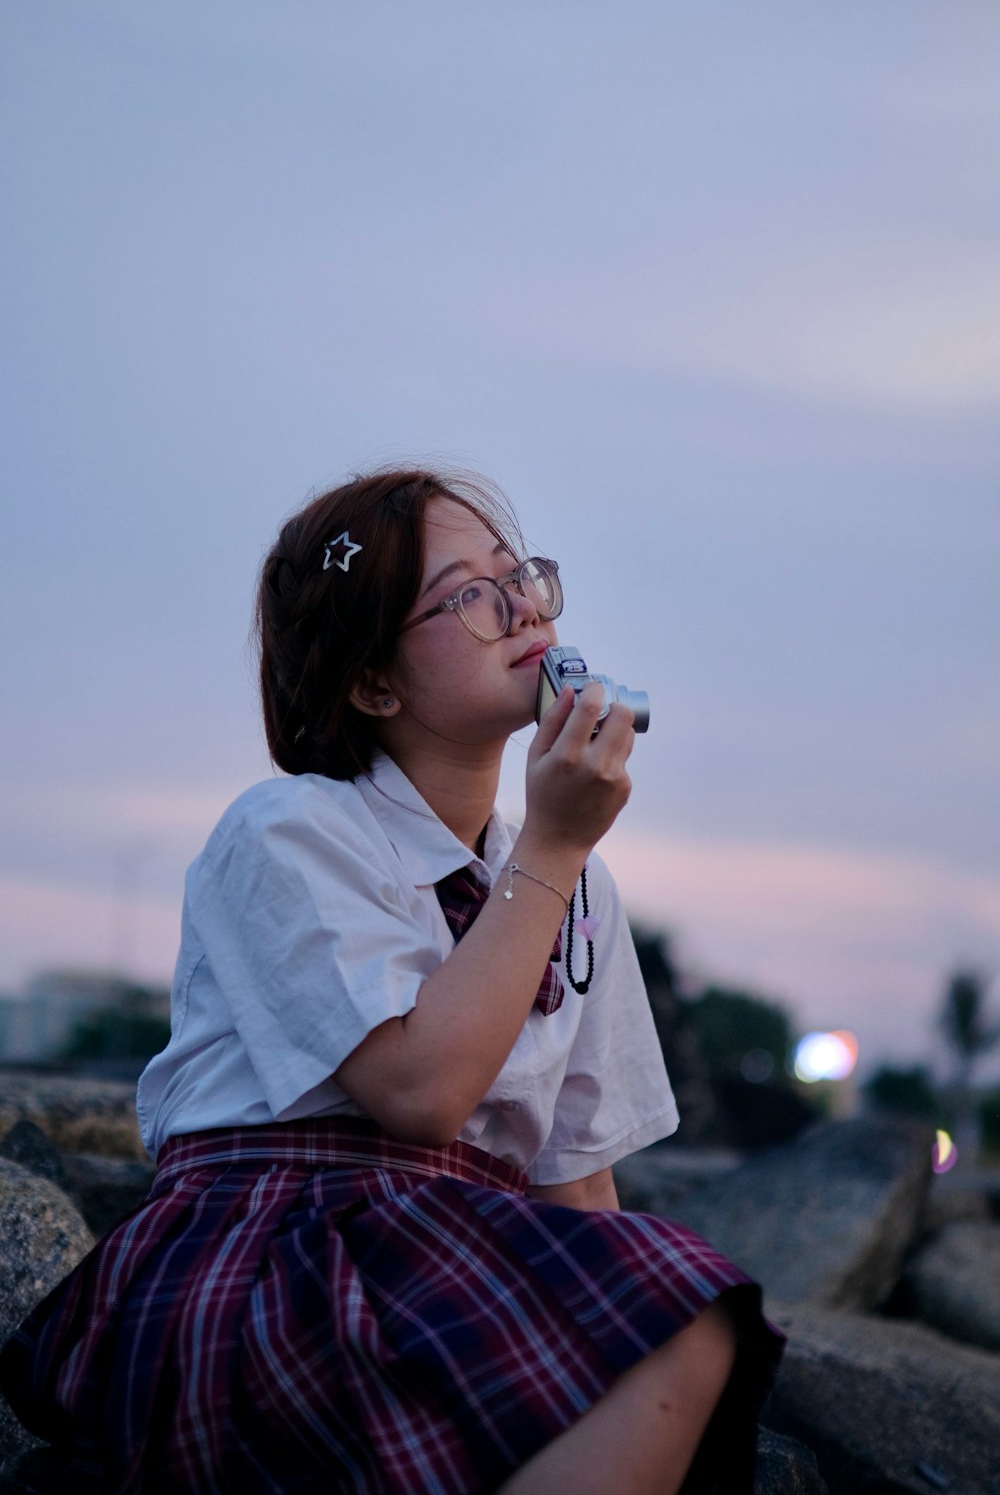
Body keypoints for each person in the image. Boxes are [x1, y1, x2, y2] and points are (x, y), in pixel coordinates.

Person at [0, 468, 783, 1493]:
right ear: (374, 684)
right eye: (468, 594)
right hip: (279, 1247)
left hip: (455, 1250)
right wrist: (550, 845)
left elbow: (576, 1179)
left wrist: (608, 1334)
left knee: (686, 1320)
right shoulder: (289, 831)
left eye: (522, 578)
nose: (520, 610)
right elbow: (418, 1093)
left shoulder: (571, 880)